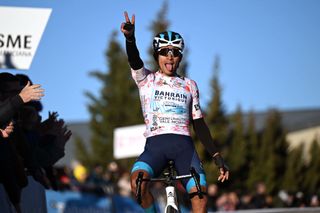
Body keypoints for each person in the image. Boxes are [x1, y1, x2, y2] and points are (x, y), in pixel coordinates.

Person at [120, 12, 229, 213]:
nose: (170, 56)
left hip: (184, 149)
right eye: (164, 52)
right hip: (156, 147)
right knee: (137, 183)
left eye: (175, 52)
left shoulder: (189, 85)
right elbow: (134, 60)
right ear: (157, 56)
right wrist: (130, 39)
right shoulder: (146, 79)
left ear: (180, 57)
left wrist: (216, 154)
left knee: (200, 199)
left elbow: (199, 123)